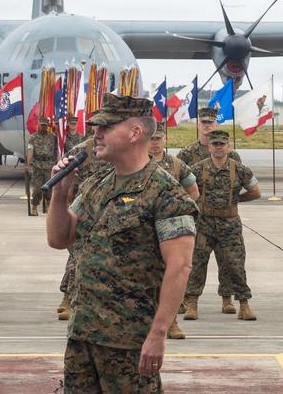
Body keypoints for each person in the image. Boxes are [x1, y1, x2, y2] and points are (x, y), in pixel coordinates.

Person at [46, 94, 197, 392]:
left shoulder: (166, 194)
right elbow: (58, 238)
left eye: (106, 127)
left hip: (129, 341)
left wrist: (158, 333)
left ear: (135, 132)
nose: (96, 133)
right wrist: (59, 193)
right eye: (96, 127)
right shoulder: (96, 185)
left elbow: (180, 267)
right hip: (82, 334)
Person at [183, 130, 260, 321]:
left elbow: (255, 192)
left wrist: (235, 201)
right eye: (215, 144)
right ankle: (191, 303)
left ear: (228, 147)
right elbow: (186, 191)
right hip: (204, 224)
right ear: (209, 147)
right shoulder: (197, 169)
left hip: (230, 224)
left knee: (235, 264)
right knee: (197, 264)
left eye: (222, 144)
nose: (218, 147)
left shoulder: (240, 170)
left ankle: (243, 304)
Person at [176, 106, 242, 314]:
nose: (207, 126)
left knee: (227, 259)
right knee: (193, 261)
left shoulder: (232, 154)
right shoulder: (186, 154)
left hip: (225, 216)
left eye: (210, 122)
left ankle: (227, 298)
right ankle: (188, 300)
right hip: (197, 217)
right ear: (198, 124)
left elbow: (238, 181)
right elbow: (178, 183)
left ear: (216, 124)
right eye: (203, 122)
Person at [149, 123, 199, 340]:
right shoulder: (137, 163)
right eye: (151, 139)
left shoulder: (177, 165)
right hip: (143, 228)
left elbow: (193, 192)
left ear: (165, 140)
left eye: (158, 139)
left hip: (169, 229)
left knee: (173, 273)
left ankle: (172, 322)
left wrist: (177, 210)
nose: (155, 143)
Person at [56, 130, 113, 321]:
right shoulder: (80, 151)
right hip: (84, 211)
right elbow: (66, 176)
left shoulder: (118, 150)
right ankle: (69, 298)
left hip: (111, 211)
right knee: (77, 257)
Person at [27, 117, 58, 215]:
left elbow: (56, 151)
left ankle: (49, 206)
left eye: (45, 125)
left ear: (47, 126)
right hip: (37, 165)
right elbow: (30, 151)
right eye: (42, 125)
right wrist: (28, 164)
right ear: (39, 125)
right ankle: (34, 207)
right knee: (37, 188)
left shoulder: (53, 137)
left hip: (49, 165)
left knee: (49, 188)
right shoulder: (33, 137)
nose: (43, 127)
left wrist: (57, 163)